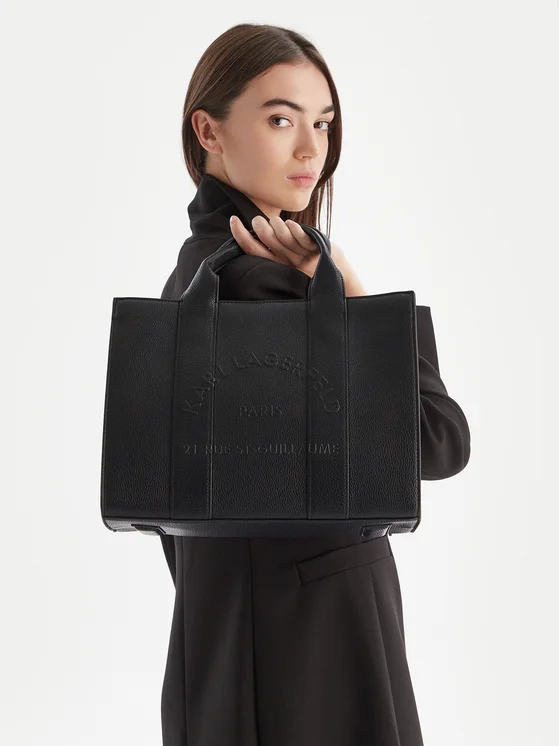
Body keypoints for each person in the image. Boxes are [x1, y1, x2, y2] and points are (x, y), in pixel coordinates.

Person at [158, 23, 471, 746]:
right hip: (309, 647)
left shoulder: (200, 271)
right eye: (281, 119)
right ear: (208, 130)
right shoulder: (261, 283)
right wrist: (354, 296)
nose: (311, 149)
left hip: (245, 632)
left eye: (323, 123)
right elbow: (438, 441)